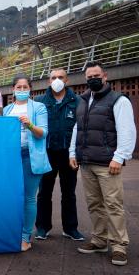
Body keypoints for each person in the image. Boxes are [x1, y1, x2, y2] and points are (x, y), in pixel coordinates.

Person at [69, 62, 136, 266]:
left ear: (105, 76)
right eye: (89, 76)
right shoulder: (82, 100)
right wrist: (73, 152)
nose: (93, 79)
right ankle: (99, 240)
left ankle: (119, 245)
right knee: (94, 204)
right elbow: (77, 129)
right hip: (86, 162)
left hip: (108, 163)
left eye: (96, 75)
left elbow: (127, 130)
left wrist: (120, 156)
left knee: (113, 204)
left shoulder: (118, 100)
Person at [3, 74, 51, 252]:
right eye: (18, 87)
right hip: (11, 158)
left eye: (25, 87)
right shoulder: (7, 110)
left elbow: (43, 133)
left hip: (30, 157)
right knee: (13, 196)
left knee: (30, 198)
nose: (22, 90)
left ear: (30, 89)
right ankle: (14, 232)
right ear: (13, 89)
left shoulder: (39, 107)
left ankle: (26, 237)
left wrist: (29, 125)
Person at [35, 69, 84, 241]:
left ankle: (70, 228)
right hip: (47, 153)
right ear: (48, 82)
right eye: (53, 78)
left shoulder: (77, 101)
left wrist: (76, 153)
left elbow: (81, 128)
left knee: (69, 192)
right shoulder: (40, 101)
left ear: (67, 80)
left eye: (60, 77)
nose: (57, 80)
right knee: (44, 192)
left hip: (68, 154)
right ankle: (42, 227)